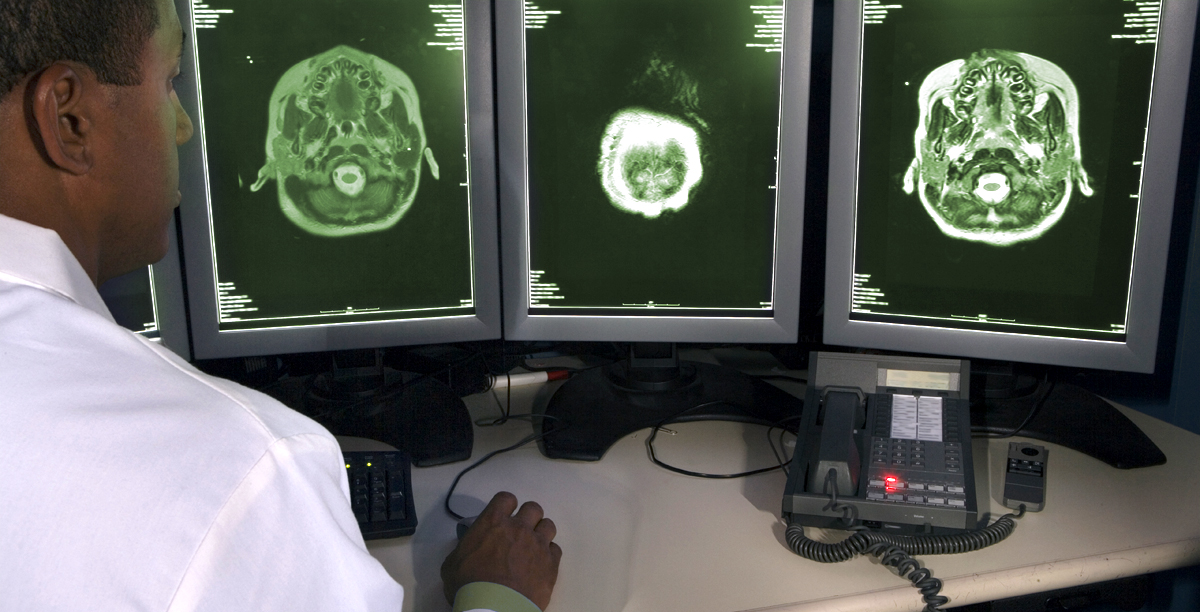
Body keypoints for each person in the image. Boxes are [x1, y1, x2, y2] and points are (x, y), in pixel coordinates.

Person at [0, 1, 561, 611]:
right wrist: (499, 597)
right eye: (169, 82)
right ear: (70, 118)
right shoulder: (241, 467)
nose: (183, 125)